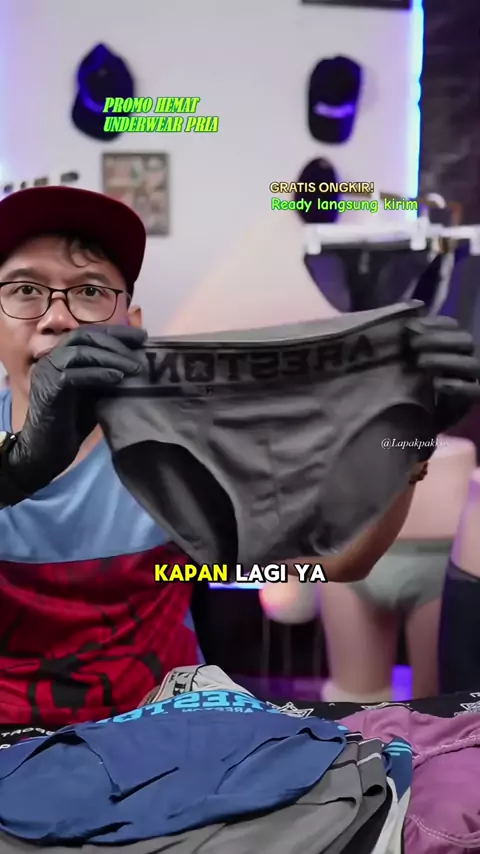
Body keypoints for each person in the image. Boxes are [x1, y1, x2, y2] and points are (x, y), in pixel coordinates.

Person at [0, 185, 477, 732]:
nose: (57, 318)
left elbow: (336, 565)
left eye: (88, 291)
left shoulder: (179, 440)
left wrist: (409, 440)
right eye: (25, 289)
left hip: (166, 732)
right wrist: (18, 467)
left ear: (131, 324)